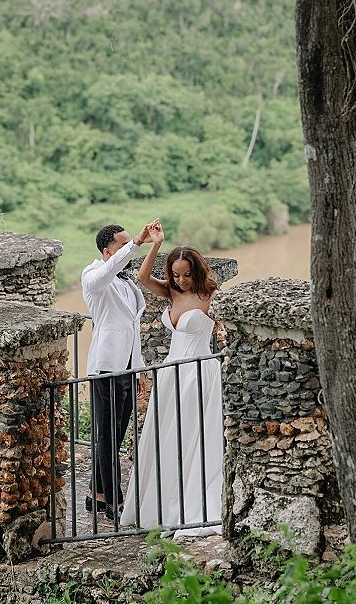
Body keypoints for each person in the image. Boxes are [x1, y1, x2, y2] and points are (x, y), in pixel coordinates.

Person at [120, 222, 223, 537]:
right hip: (170, 375)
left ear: (197, 272)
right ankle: (161, 505)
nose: (180, 280)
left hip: (198, 373)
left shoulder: (211, 296)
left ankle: (189, 506)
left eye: (186, 275)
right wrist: (155, 244)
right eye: (175, 274)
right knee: (166, 438)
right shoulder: (170, 292)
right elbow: (141, 277)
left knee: (192, 436)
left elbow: (229, 328)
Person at [82, 222, 151, 521]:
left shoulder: (126, 282)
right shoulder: (93, 276)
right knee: (108, 436)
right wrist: (136, 242)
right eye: (122, 246)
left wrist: (139, 369)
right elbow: (106, 272)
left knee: (115, 434)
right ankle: (114, 500)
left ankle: (94, 494)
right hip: (106, 367)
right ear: (108, 251)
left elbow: (131, 328)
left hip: (126, 367)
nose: (129, 252)